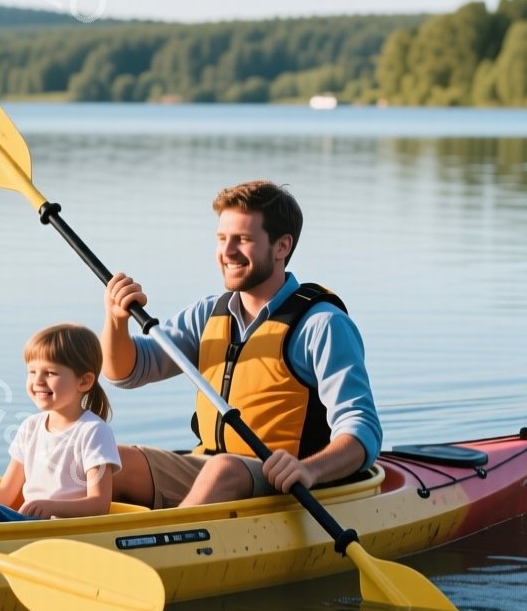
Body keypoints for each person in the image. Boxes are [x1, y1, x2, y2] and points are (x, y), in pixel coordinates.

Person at [99, 180, 381, 509]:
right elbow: (127, 373)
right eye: (222, 239)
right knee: (110, 462)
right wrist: (116, 320)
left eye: (243, 239)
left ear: (281, 247)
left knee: (224, 470)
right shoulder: (207, 315)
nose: (227, 252)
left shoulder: (321, 325)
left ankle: (167, 541)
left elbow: (363, 430)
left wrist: (308, 470)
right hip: (210, 468)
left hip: (283, 481)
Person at [0, 324, 122, 522]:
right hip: (31, 523)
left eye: (50, 373)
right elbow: (7, 492)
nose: (37, 380)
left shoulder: (94, 431)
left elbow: (99, 504)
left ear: (84, 381)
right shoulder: (30, 427)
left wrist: (51, 506)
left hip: (62, 531)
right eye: (32, 371)